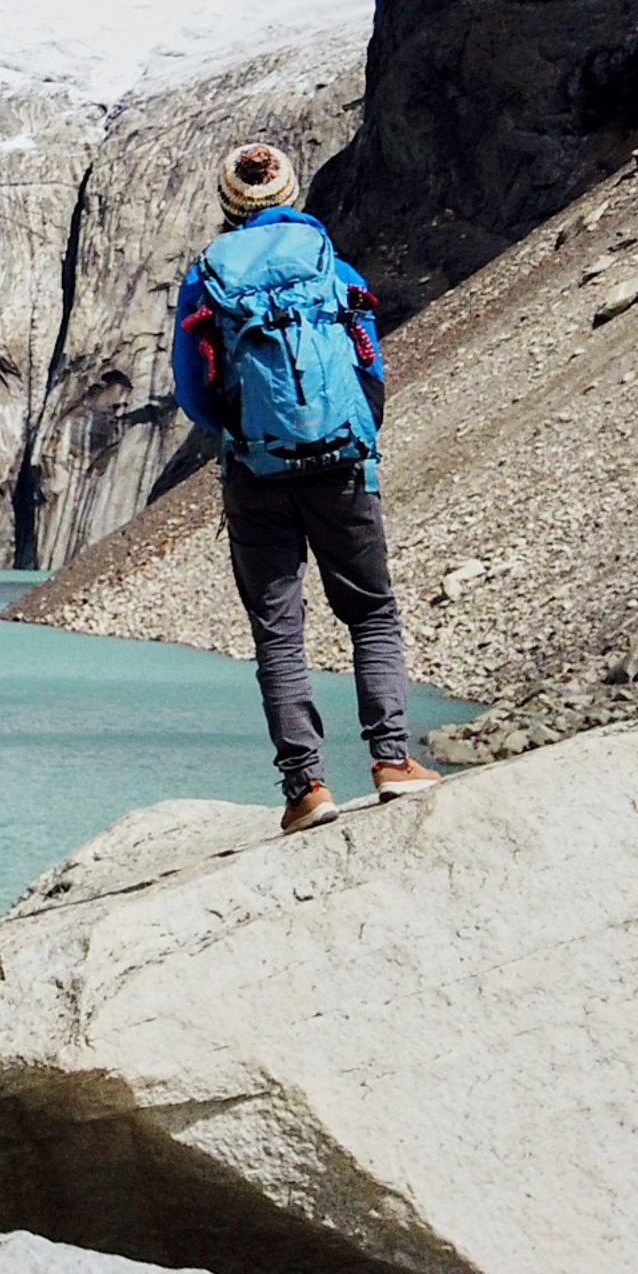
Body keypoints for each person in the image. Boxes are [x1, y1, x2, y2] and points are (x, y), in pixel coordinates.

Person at [174, 142, 441, 832]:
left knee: (278, 630)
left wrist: (244, 434)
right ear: (291, 192)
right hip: (342, 465)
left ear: (229, 202)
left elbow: (193, 389)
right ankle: (390, 762)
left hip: (256, 471)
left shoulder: (205, 280)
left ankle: (306, 789)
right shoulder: (331, 264)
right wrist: (353, 431)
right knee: (371, 612)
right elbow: (367, 360)